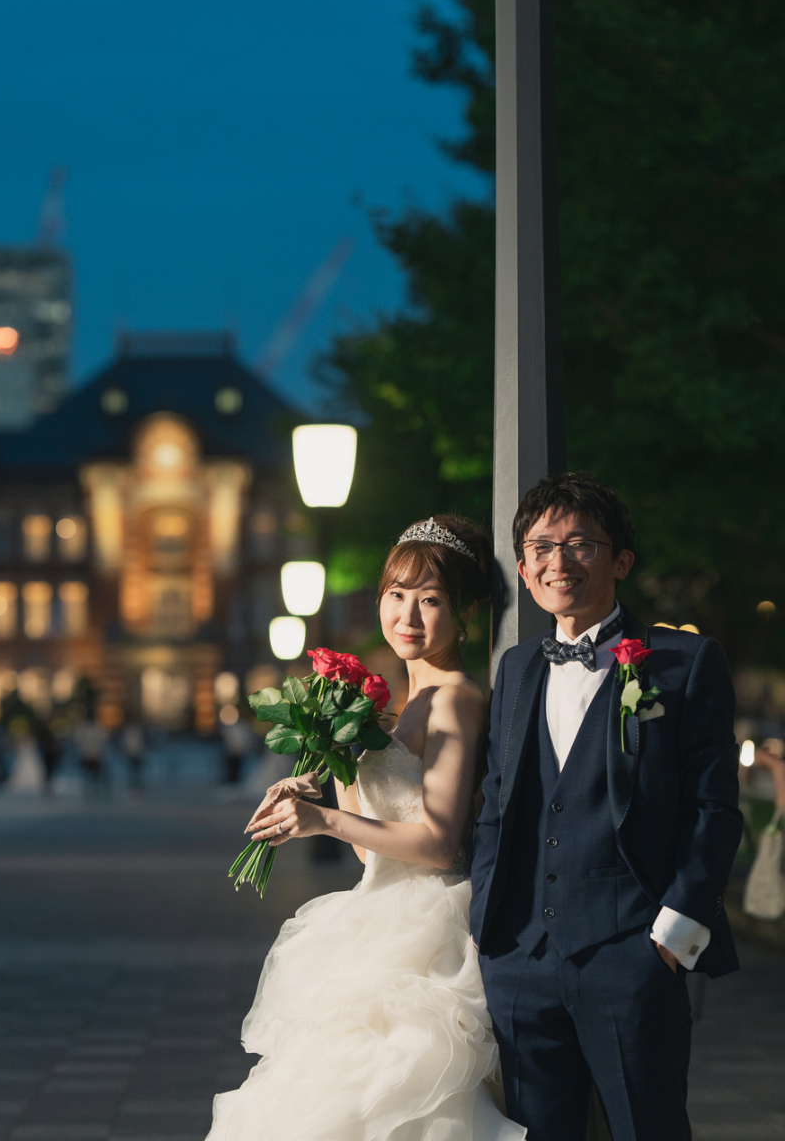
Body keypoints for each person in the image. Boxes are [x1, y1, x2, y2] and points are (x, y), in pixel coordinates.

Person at [206, 515, 525, 1141]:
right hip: (374, 915)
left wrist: (324, 819)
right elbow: (372, 839)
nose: (408, 614)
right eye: (396, 594)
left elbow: (436, 843)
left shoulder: (455, 698)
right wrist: (321, 775)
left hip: (427, 926)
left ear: (464, 613)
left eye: (431, 600)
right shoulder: (397, 708)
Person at [471, 472, 743, 1141]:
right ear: (525, 569)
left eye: (579, 544)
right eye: (539, 546)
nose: (556, 562)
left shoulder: (685, 662)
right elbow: (497, 805)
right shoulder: (516, 668)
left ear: (620, 560)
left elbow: (714, 809)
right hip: (520, 961)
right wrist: (489, 927)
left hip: (633, 955)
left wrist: (669, 942)